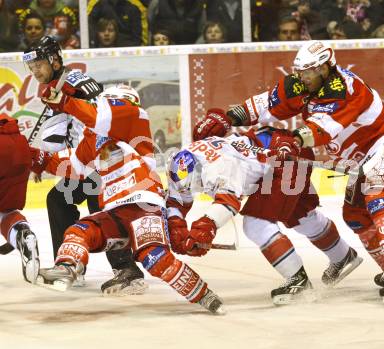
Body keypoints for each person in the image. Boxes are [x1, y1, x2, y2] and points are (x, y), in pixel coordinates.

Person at [192, 40, 384, 305]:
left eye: (309, 71)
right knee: (356, 215)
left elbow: (322, 128)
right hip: (361, 158)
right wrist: (228, 117)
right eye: (300, 71)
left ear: (326, 67)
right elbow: (263, 104)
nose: (303, 77)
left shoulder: (347, 90)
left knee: (379, 198)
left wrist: (295, 140)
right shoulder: (299, 84)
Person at [32, 90, 225, 315]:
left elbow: (100, 116)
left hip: (143, 206)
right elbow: (71, 165)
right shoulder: (94, 140)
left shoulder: (133, 116)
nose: (103, 106)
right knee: (79, 231)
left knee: (155, 259)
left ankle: (205, 296)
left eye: (107, 103)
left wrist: (65, 102)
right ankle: (66, 267)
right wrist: (32, 158)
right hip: (114, 212)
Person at [167, 124, 362, 305]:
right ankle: (343, 256)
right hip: (273, 156)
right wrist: (177, 230)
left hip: (282, 159)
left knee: (256, 223)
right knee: (301, 216)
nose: (196, 189)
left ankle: (298, 281)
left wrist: (204, 229)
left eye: (196, 184)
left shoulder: (220, 166)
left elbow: (228, 203)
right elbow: (176, 200)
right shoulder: (182, 165)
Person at [23, 35, 146, 296]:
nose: (36, 72)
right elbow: (58, 130)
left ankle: (127, 270)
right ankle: (70, 265)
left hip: (101, 158)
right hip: (85, 160)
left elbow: (93, 100)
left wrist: (70, 96)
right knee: (58, 199)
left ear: (55, 60)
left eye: (39, 65)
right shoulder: (58, 84)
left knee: (101, 207)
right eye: (31, 68)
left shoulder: (71, 80)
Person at [0, 113, 40, 283]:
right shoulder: (20, 137)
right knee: (6, 210)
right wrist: (38, 168)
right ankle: (21, 234)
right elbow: (36, 154)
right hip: (19, 152)